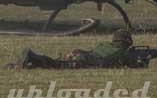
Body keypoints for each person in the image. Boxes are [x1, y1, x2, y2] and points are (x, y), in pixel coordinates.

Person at [8, 30, 147, 69]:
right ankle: (33, 56)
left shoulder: (106, 45)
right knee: (59, 65)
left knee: (58, 64)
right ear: (127, 42)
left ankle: (24, 65)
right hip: (88, 60)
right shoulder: (124, 52)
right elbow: (135, 65)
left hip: (83, 54)